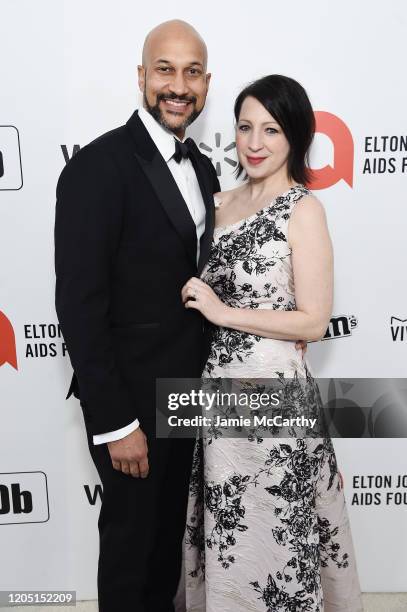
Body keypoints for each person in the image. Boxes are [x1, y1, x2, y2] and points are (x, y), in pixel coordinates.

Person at [54, 19, 220, 612]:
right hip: (131, 402)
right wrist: (116, 422)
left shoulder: (202, 168)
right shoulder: (98, 167)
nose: (179, 85)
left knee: (164, 551)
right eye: (166, 70)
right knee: (129, 552)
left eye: (192, 71)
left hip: (188, 394)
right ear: (142, 77)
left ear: (206, 82)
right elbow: (78, 304)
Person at [183, 75, 363, 611]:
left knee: (277, 539)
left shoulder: (303, 210)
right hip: (219, 397)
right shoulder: (214, 205)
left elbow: (313, 322)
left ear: (296, 138)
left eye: (271, 129)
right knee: (231, 539)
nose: (255, 143)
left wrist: (222, 312)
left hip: (276, 398)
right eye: (244, 127)